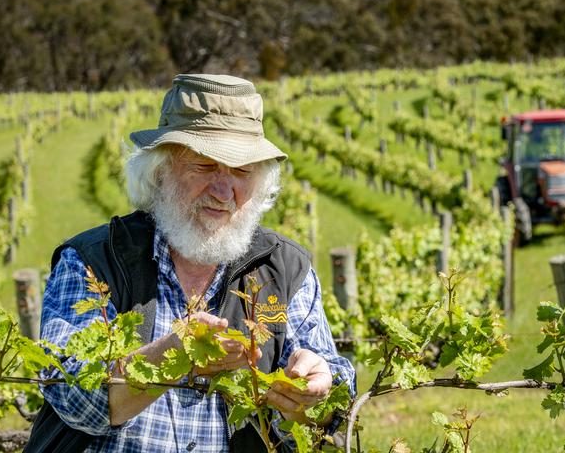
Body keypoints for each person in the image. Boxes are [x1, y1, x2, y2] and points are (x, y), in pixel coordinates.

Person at [27, 74, 355, 453]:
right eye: (204, 166)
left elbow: (336, 394)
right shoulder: (92, 261)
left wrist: (319, 384)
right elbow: (72, 396)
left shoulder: (285, 267)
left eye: (242, 171)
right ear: (160, 171)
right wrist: (175, 353)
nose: (223, 190)